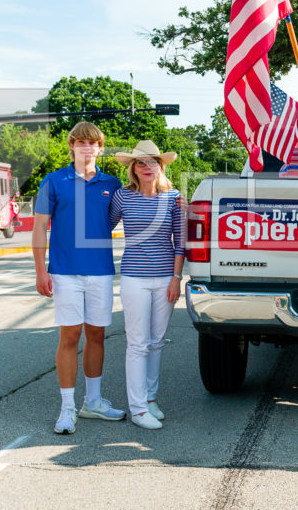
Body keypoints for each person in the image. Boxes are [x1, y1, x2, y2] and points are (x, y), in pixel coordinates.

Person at [33, 121, 125, 435]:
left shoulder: (112, 184)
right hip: (64, 272)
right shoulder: (53, 181)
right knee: (70, 337)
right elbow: (39, 228)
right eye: (81, 142)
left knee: (97, 336)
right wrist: (40, 269)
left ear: (101, 148)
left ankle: (94, 402)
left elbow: (127, 214)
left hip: (100, 270)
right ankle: (67, 407)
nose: (87, 148)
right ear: (71, 146)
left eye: (93, 143)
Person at [109, 140, 185, 430]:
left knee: (156, 342)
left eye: (152, 162)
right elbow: (102, 226)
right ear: (133, 169)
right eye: (141, 163)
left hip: (166, 278)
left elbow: (181, 243)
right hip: (134, 278)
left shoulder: (174, 197)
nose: (147, 167)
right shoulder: (122, 197)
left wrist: (177, 278)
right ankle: (138, 409)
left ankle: (151, 399)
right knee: (138, 343)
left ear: (161, 166)